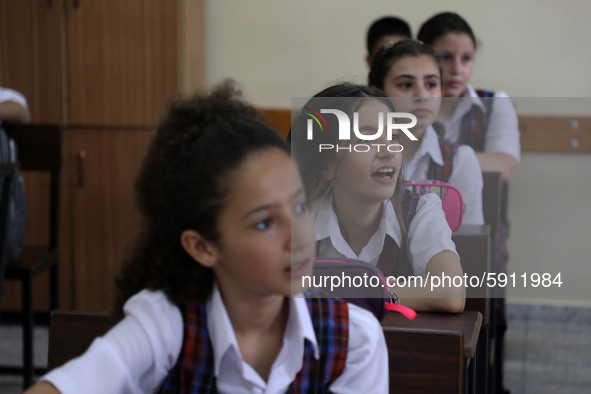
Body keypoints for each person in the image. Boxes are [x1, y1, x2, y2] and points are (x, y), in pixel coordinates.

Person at [24, 81, 388, 394]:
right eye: (264, 223)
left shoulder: (355, 340)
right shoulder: (169, 322)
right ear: (203, 246)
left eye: (299, 208)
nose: (299, 239)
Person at [290, 83, 465, 313]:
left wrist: (355, 292)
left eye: (393, 136)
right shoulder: (300, 216)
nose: (388, 151)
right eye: (366, 139)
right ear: (327, 165)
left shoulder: (420, 208)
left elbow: (451, 293)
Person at [368, 39, 484, 225]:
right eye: (405, 85)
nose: (421, 96)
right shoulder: (356, 155)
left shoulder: (459, 160)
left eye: (431, 84)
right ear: (378, 94)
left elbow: (469, 240)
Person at [417, 12, 520, 182]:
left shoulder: (494, 103)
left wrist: (429, 157)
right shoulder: (405, 103)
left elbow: (505, 167)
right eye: (445, 58)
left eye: (466, 58)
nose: (457, 69)